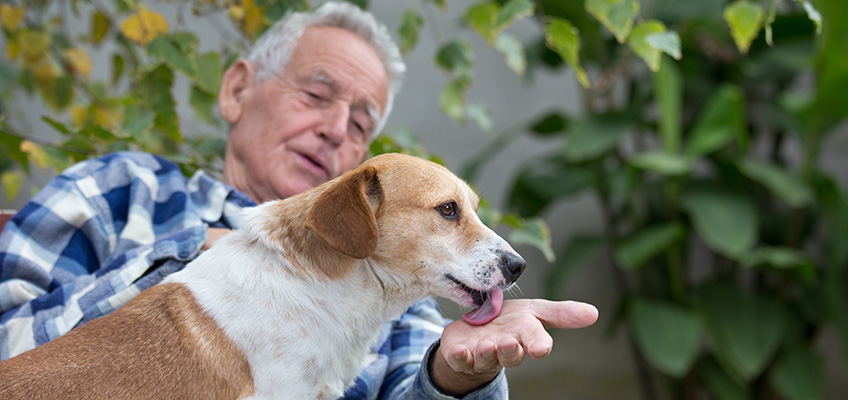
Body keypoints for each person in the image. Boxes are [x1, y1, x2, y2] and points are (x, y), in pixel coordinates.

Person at [0, 2, 598, 398]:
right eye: (317, 93)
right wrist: (182, 263)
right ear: (236, 90)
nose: (337, 128)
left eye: (361, 123)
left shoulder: (396, 285)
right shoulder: (121, 188)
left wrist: (461, 372)